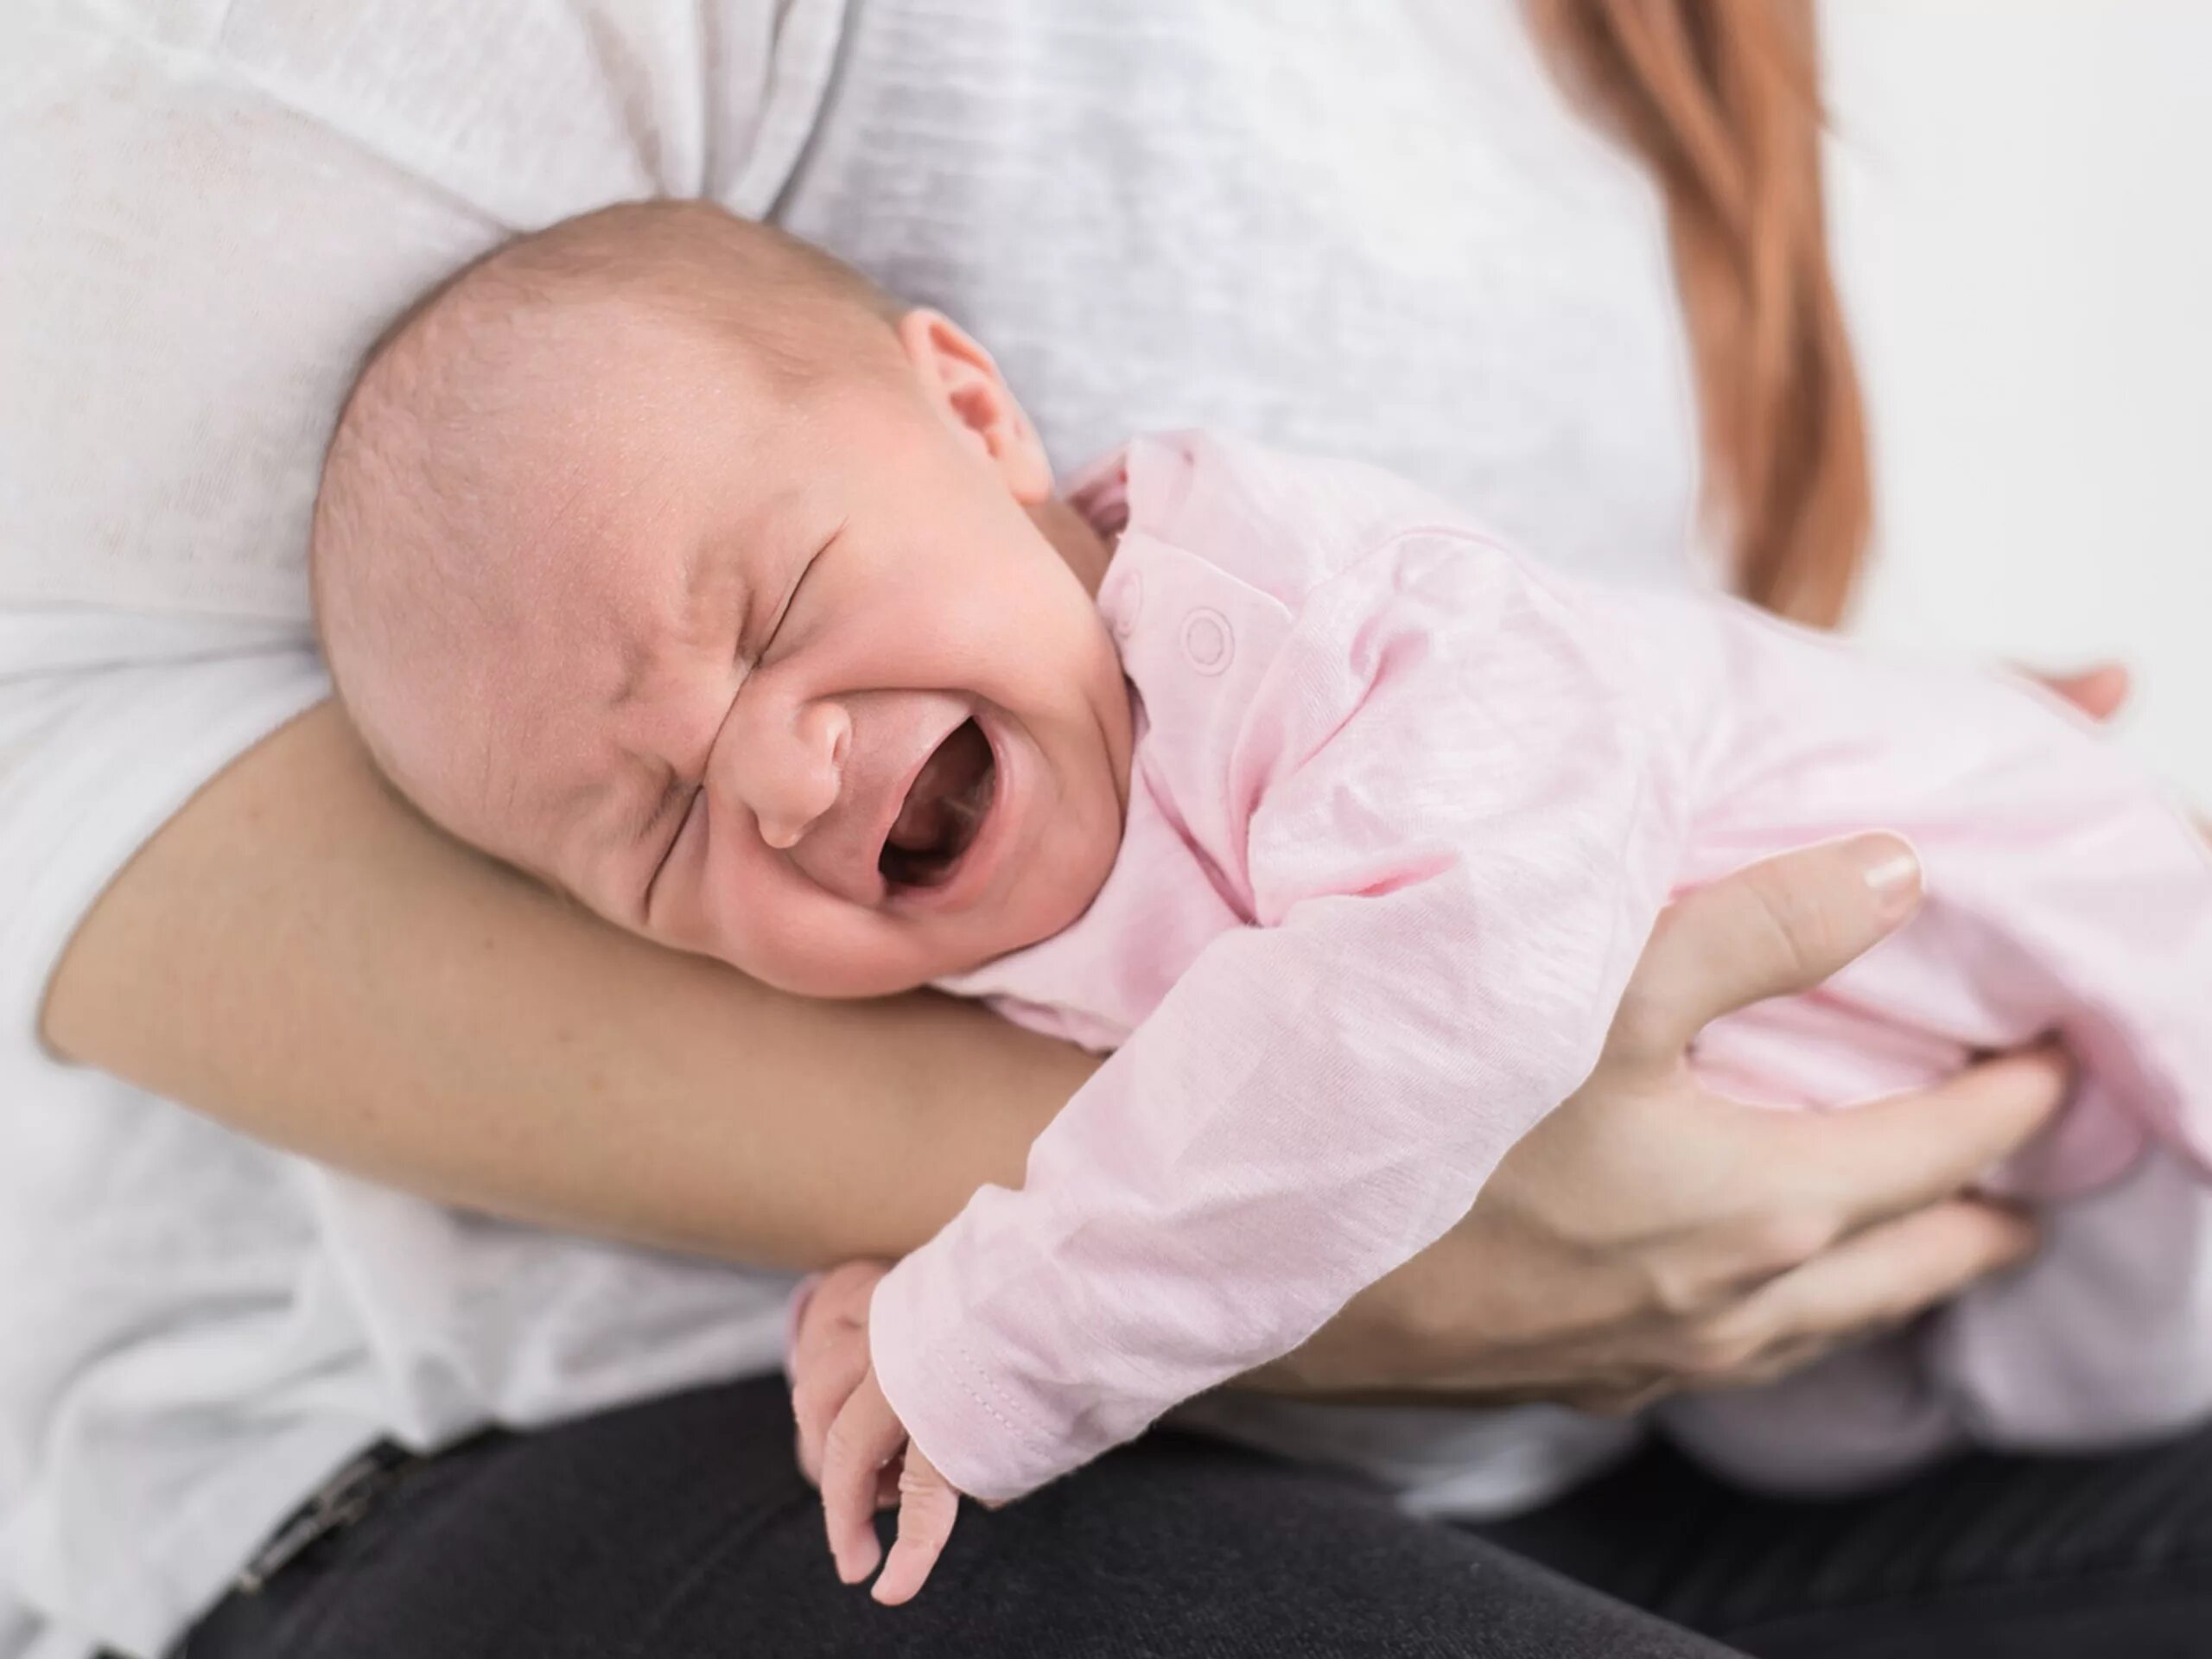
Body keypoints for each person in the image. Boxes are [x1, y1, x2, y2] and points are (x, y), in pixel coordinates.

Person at [2, 4, 2188, 1657]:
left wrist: (1009, 1313)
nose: (767, 775)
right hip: (556, 1449)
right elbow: (57, 737)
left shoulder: (1283, 617)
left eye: (770, 616)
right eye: (655, 831)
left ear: (975, 412)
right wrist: (969, 1305)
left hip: (1714, 1352)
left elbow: (1455, 967)